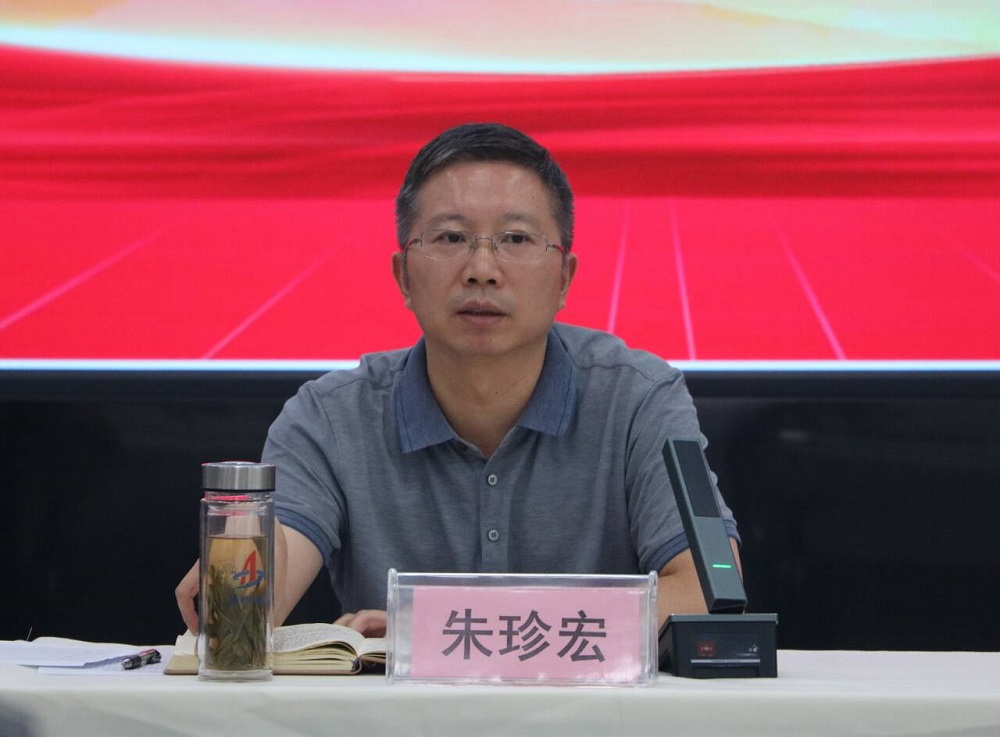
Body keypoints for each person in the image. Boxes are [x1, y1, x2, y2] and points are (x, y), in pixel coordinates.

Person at [176, 122, 740, 638]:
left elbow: (710, 590)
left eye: (516, 239)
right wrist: (240, 575)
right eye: (450, 238)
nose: (482, 270)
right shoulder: (329, 418)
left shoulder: (639, 399)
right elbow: (260, 593)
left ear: (564, 278)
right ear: (403, 275)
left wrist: (447, 628)